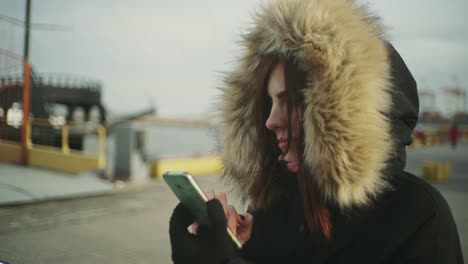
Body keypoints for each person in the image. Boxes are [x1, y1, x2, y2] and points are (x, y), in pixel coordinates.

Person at [169, 0, 464, 263]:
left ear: (343, 108)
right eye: (268, 103)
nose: (270, 121)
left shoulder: (417, 217)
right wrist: (232, 250)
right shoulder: (268, 214)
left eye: (289, 101)